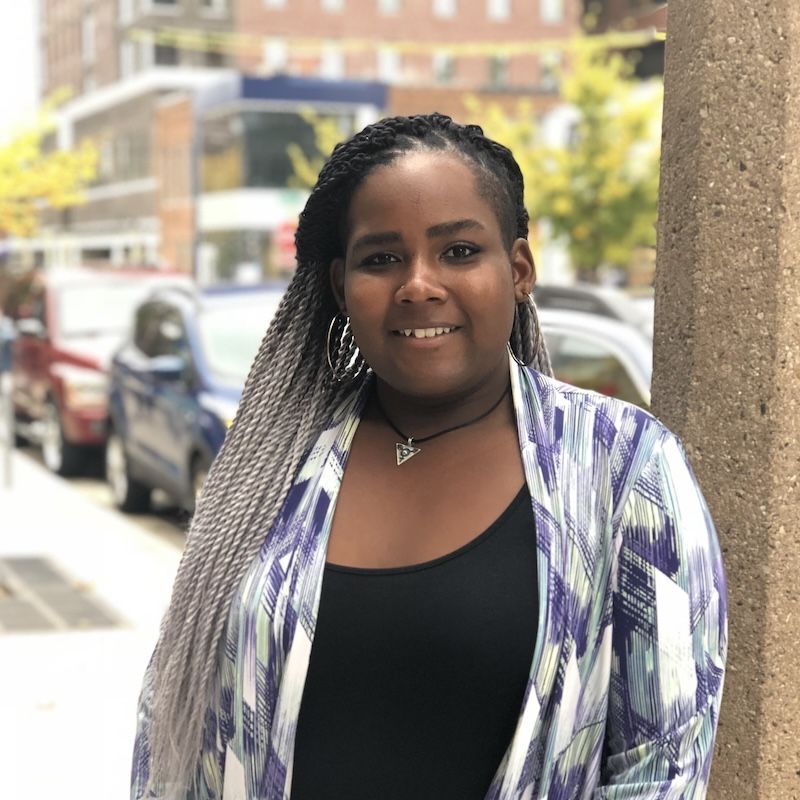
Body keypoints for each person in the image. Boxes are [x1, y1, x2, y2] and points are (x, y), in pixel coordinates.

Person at [131, 113, 727, 799]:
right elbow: (169, 712)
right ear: (338, 286)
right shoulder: (274, 466)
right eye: (381, 259)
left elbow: (662, 771)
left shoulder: (626, 470)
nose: (418, 284)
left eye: (459, 251)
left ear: (520, 269)